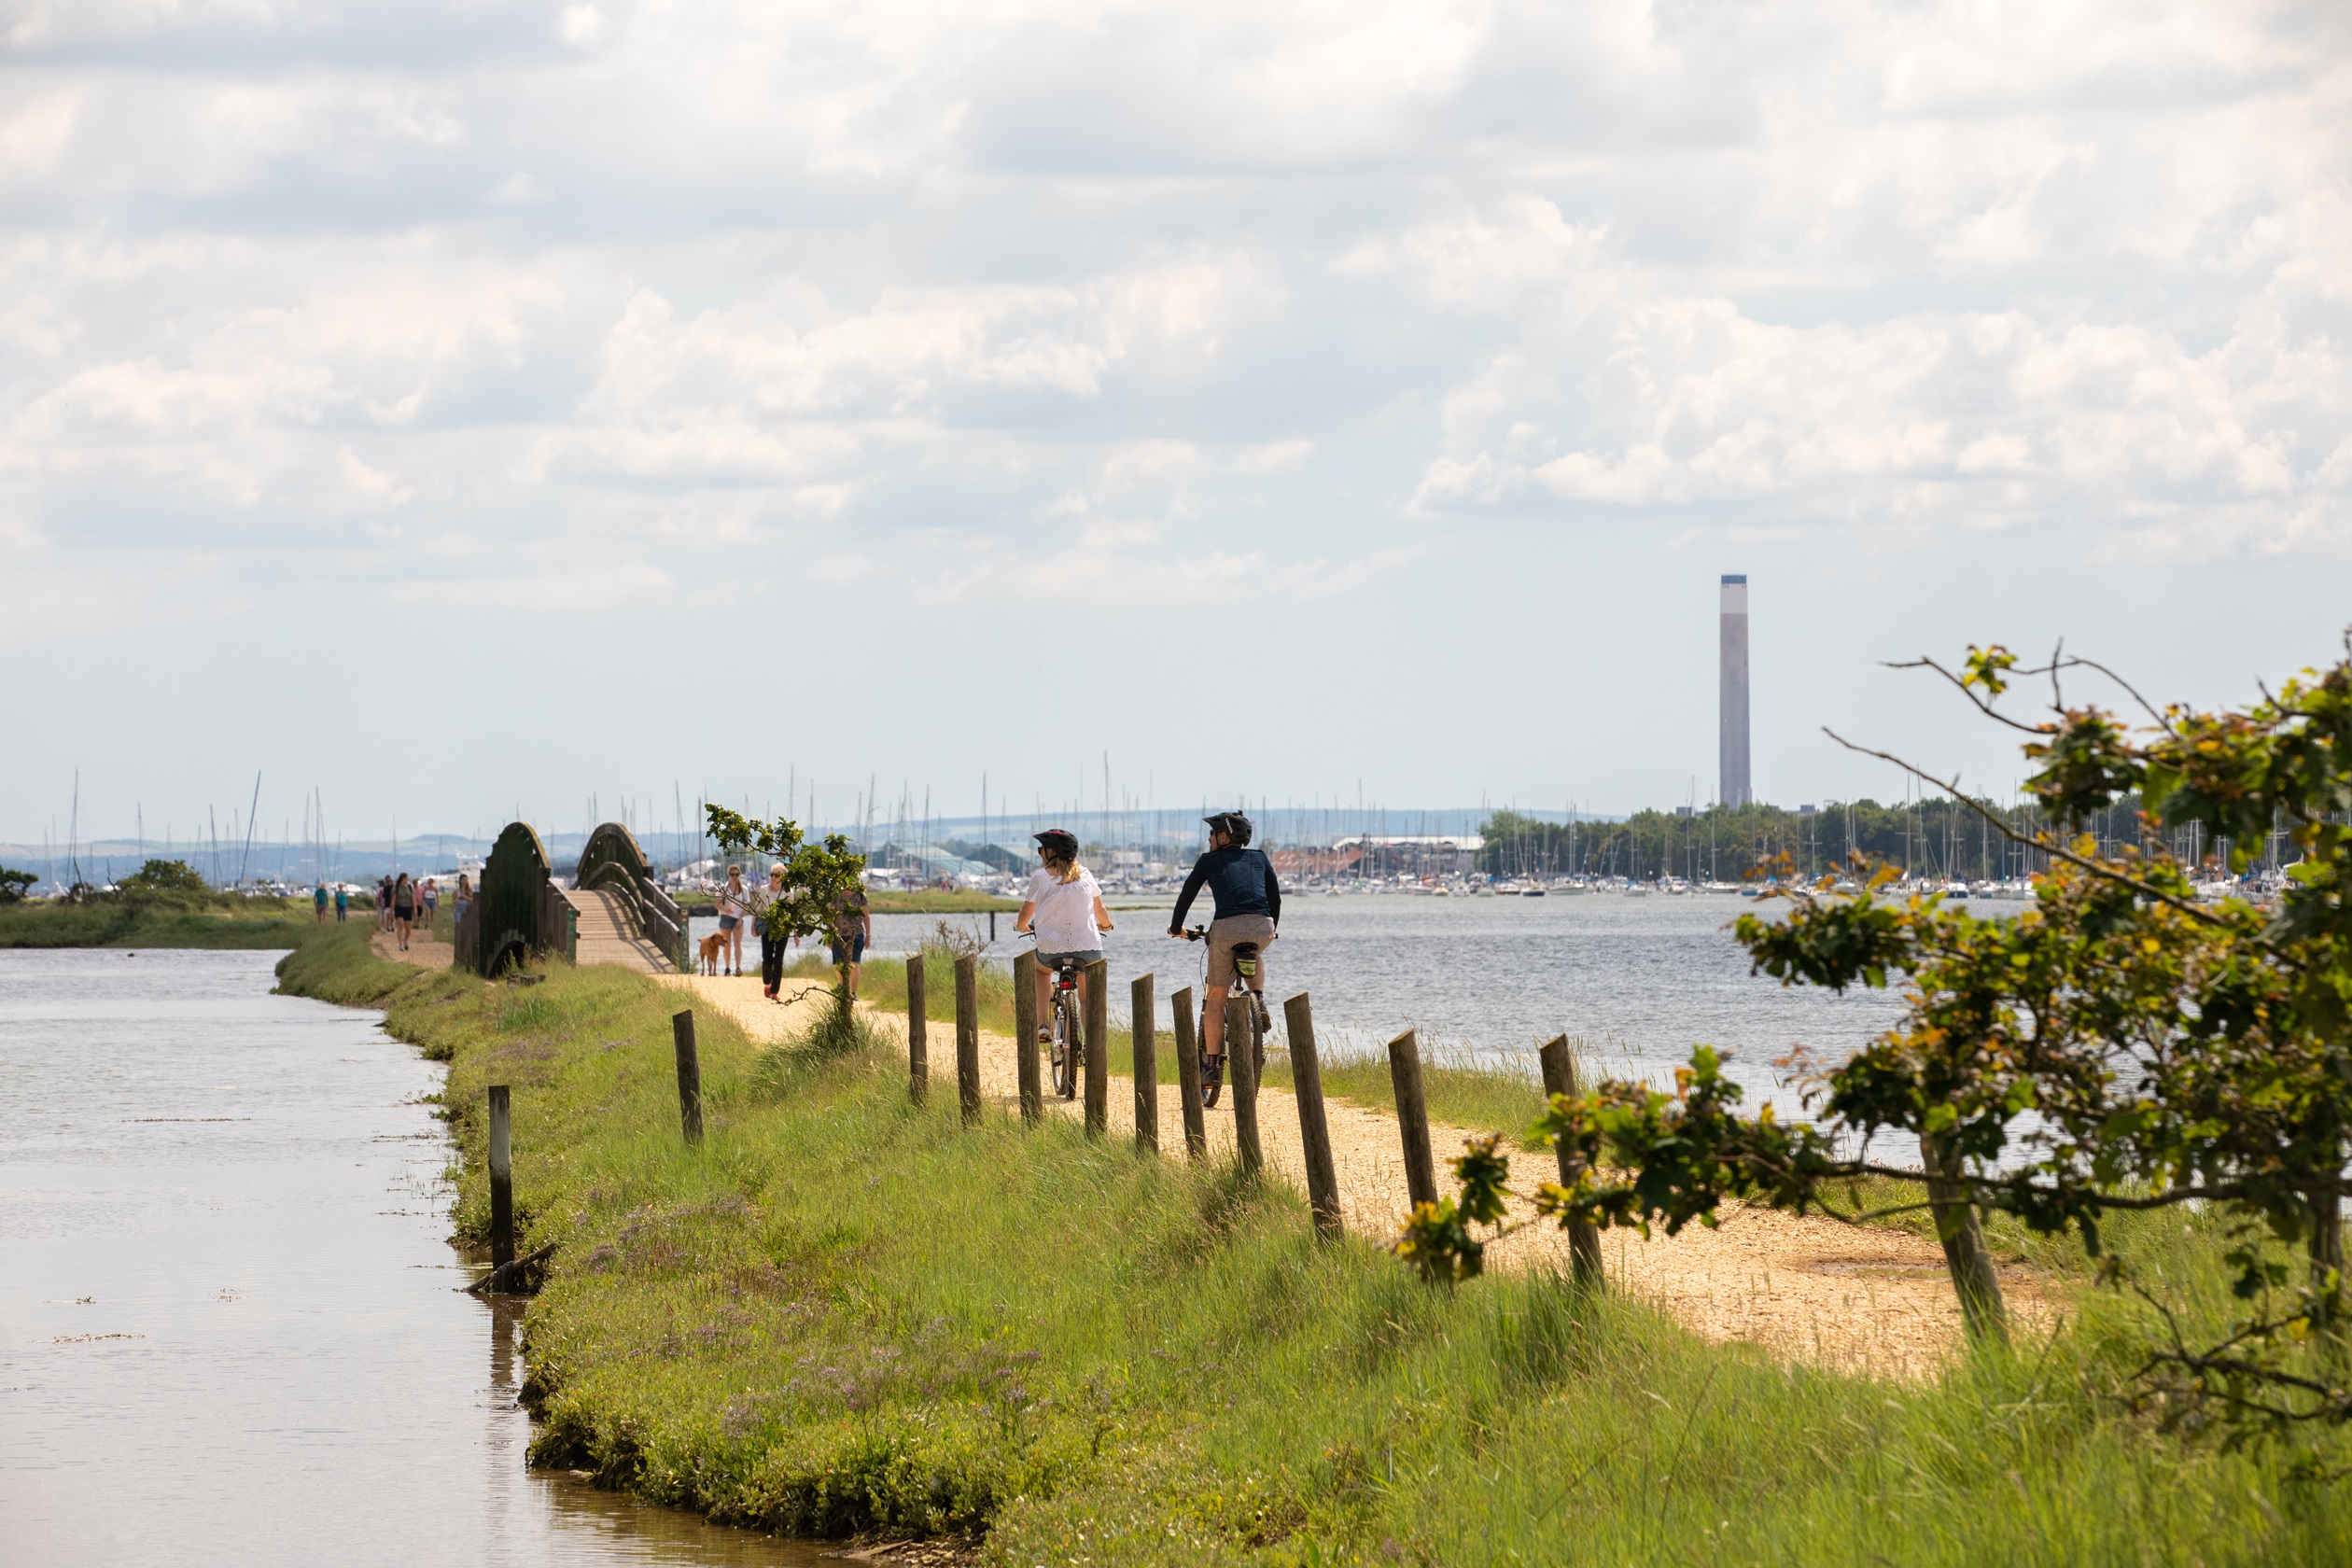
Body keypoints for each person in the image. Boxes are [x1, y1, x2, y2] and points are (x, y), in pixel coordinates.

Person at [1167, 811, 1281, 1077]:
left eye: (1212, 833)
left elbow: (1187, 894)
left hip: (1226, 928)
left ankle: (1211, 1065)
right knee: (1255, 950)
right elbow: (1275, 898)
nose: (1208, 838)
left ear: (1223, 836)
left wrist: (1175, 927)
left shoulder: (1210, 860)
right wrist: (1271, 930)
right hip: (1263, 926)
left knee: (1216, 997)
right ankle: (1259, 999)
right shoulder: (1260, 857)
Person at [1015, 829, 1113, 1037]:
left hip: (1051, 950)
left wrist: (1020, 926)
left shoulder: (1040, 877)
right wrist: (1106, 925)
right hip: (1088, 950)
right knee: (1085, 998)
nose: (1040, 853)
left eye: (1041, 849)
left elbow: (1026, 912)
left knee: (1042, 971)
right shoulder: (1086, 875)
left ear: (1051, 852)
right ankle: (1091, 1041)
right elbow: (1100, 910)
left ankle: (1042, 1023)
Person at [828, 876, 872, 1001]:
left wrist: (868, 936)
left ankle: (853, 993)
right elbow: (830, 917)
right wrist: (829, 936)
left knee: (854, 964)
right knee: (839, 964)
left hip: (856, 935)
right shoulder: (836, 895)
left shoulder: (861, 896)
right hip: (838, 934)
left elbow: (866, 916)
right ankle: (842, 986)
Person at [756, 864, 787, 1000]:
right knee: (767, 958)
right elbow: (757, 910)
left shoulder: (788, 892)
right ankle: (767, 983)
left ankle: (775, 991)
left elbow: (792, 914)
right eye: (772, 874)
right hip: (767, 927)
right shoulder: (763, 890)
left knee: (779, 959)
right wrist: (753, 926)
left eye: (777, 875)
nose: (773, 877)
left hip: (783, 928)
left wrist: (796, 934)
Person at [718, 864, 749, 977]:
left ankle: (738, 967)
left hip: (738, 918)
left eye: (737, 874)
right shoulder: (723, 888)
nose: (734, 877)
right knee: (726, 944)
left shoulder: (744, 889)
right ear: (729, 875)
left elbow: (746, 906)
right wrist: (726, 909)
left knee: (738, 943)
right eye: (732, 875)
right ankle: (727, 968)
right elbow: (717, 903)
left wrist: (740, 919)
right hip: (725, 918)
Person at [391, 873, 414, 951]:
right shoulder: (396, 888)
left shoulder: (410, 887)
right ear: (403, 878)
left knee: (408, 929)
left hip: (408, 908)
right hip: (399, 908)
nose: (408, 880)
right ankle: (400, 944)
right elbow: (393, 900)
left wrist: (415, 909)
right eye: (407, 878)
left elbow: (413, 898)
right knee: (400, 926)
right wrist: (391, 911)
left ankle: (405, 940)